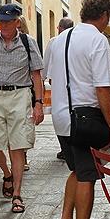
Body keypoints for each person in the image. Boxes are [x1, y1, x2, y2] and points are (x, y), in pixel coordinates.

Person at [46, 0, 110, 219]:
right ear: (105, 16)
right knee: (88, 175)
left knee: (76, 169)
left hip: (62, 118)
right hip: (85, 118)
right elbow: (103, 88)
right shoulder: (97, 40)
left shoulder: (60, 40)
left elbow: (52, 79)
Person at [0, 4, 44, 213]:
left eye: (7, 21)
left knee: (18, 145)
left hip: (20, 95)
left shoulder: (28, 43)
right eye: (0, 21)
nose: (3, 24)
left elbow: (36, 75)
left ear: (17, 22)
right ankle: (7, 173)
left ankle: (17, 194)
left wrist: (39, 104)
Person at [43, 17, 74, 160]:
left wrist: (44, 78)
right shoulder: (77, 42)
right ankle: (73, 145)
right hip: (75, 85)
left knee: (59, 115)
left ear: (60, 28)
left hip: (58, 84)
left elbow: (46, 62)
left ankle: (64, 148)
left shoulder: (54, 42)